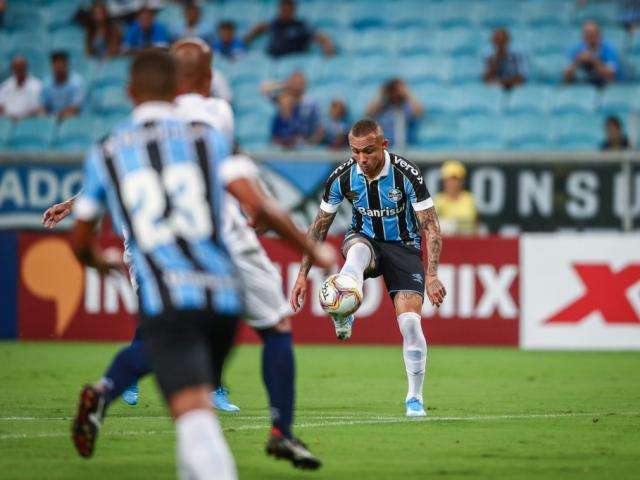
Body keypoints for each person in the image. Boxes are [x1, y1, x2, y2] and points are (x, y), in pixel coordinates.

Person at [51, 40, 334, 471]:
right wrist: (312, 248)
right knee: (274, 325)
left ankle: (108, 390)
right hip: (221, 255)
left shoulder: (113, 145)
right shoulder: (212, 120)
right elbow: (254, 200)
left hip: (161, 261)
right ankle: (281, 429)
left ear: (132, 91)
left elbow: (111, 188)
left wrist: (83, 225)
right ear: (206, 77)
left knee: (173, 358)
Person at [290, 119, 446, 418]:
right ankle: (343, 308)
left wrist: (433, 273)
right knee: (357, 251)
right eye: (355, 152)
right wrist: (301, 275)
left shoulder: (406, 174)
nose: (361, 159)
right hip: (365, 239)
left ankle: (414, 398)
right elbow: (319, 227)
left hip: (404, 247)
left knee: (411, 325)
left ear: (384, 145)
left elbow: (431, 226)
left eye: (368, 151)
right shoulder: (343, 176)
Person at [244, 0, 334, 58]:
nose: (284, 13)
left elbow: (318, 36)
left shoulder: (301, 25)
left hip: (295, 60)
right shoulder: (274, 24)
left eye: (287, 10)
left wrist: (327, 45)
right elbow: (258, 29)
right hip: (274, 59)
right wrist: (249, 36)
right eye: (283, 10)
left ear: (293, 11)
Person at [261, 71, 322, 145]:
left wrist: (309, 144)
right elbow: (264, 89)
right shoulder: (283, 98)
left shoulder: (310, 103)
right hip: (282, 145)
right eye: (294, 82)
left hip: (303, 145)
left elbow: (317, 129)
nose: (296, 85)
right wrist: (284, 84)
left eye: (300, 82)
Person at [366, 78, 423, 148]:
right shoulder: (382, 108)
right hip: (385, 147)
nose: (395, 94)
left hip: (408, 147)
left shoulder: (408, 107)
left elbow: (419, 112)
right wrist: (381, 94)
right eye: (392, 90)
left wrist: (407, 92)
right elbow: (369, 113)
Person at [564, 20, 620, 87]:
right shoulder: (576, 49)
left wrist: (593, 60)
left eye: (592, 34)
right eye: (587, 34)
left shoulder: (609, 49)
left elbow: (611, 75)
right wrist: (577, 61)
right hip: (583, 84)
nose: (589, 37)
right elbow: (566, 74)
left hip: (604, 85)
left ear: (599, 35)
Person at [433, 160, 478, 236]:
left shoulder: (469, 199)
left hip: (467, 241)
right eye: (448, 179)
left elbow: (475, 224)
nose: (452, 183)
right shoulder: (438, 200)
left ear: (462, 181)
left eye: (455, 179)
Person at [39, 51, 86, 120]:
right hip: (52, 120)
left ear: (66, 65)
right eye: (56, 65)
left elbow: (75, 108)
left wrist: (56, 116)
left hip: (72, 120)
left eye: (61, 65)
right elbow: (42, 107)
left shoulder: (77, 82)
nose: (59, 68)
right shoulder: (47, 83)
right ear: (52, 66)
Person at [0, 55, 42, 120]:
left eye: (21, 67)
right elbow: (1, 107)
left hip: (28, 122)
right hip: (8, 122)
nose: (19, 70)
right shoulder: (5, 85)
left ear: (26, 67)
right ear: (12, 68)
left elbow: (37, 109)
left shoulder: (36, 85)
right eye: (16, 67)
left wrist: (21, 118)